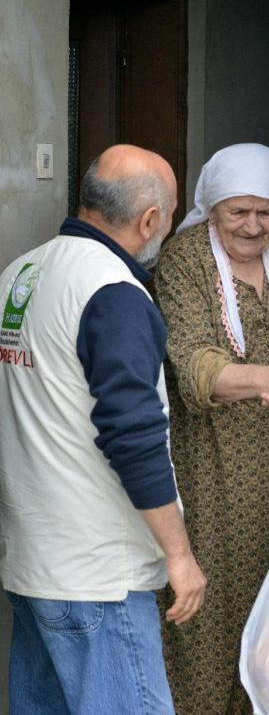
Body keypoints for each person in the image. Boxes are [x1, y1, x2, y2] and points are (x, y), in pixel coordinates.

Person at [0, 145, 207, 715]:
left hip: (32, 561)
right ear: (149, 221)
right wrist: (179, 554)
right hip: (98, 577)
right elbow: (132, 434)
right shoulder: (112, 292)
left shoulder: (22, 272)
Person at [154, 143, 269, 715]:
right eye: (238, 212)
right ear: (211, 208)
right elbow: (193, 362)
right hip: (205, 474)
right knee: (204, 621)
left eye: (266, 212)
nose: (254, 226)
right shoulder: (184, 262)